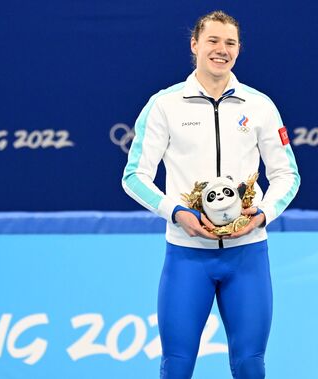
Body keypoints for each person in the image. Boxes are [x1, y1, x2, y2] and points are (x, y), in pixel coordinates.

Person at [121, 10, 300, 379]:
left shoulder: (260, 105)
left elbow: (287, 175)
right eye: (213, 41)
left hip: (247, 254)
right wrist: (176, 213)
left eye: (230, 43)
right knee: (177, 367)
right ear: (195, 45)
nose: (221, 50)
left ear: (239, 49)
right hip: (187, 257)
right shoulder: (164, 105)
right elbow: (133, 176)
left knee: (251, 366)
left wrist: (263, 213)